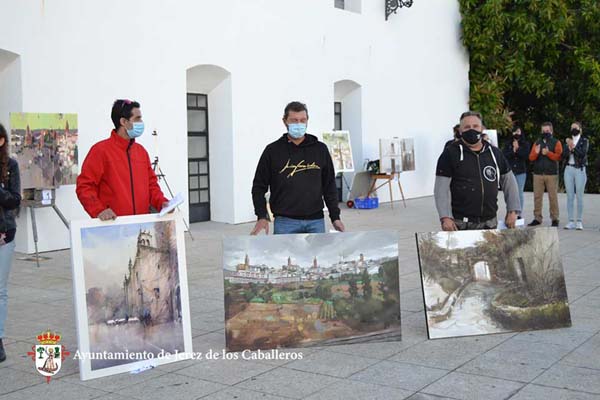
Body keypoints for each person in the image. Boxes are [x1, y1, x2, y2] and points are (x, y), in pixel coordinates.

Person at [251, 101, 344, 235]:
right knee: (285, 257)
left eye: (302, 120)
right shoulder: (272, 151)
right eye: (294, 120)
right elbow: (259, 187)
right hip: (285, 222)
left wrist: (335, 217)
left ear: (307, 121)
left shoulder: (320, 149)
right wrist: (261, 216)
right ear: (285, 121)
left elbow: (329, 185)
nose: (299, 124)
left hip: (316, 221)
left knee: (316, 256)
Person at [76, 100, 169, 220]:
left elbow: (152, 186)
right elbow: (84, 186)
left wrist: (162, 203)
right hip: (113, 228)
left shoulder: (141, 152)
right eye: (137, 119)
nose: (141, 123)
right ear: (124, 122)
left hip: (141, 227)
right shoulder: (100, 151)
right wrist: (99, 210)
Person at [434, 111, 520, 231]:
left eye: (475, 126)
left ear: (482, 128)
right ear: (460, 131)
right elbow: (440, 189)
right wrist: (445, 217)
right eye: (467, 127)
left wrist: (513, 210)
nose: (471, 130)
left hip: (490, 223)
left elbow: (509, 183)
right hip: (461, 224)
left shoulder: (495, 153)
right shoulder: (450, 153)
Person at [0, 123, 21, 363]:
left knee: (0, 290)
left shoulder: (11, 166)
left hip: (4, 234)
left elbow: (14, 200)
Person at [528, 122, 563, 227]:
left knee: (553, 197)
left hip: (551, 174)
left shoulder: (556, 142)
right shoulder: (537, 143)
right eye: (543, 131)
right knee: (537, 197)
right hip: (538, 174)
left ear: (551, 131)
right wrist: (536, 152)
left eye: (547, 131)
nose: (545, 133)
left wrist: (548, 153)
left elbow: (559, 157)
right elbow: (531, 158)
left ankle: (555, 218)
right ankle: (537, 218)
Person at [562, 122, 589, 230]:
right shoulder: (568, 141)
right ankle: (570, 221)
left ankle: (579, 221)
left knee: (579, 196)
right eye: (572, 127)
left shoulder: (584, 141)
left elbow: (582, 154)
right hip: (569, 168)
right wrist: (568, 148)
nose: (573, 129)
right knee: (569, 196)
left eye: (575, 127)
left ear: (580, 129)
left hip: (580, 169)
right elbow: (563, 155)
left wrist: (572, 147)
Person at [502, 127, 530, 217]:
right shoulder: (507, 144)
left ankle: (518, 213)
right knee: (510, 193)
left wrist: (517, 149)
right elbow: (504, 156)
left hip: (521, 171)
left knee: (519, 193)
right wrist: (513, 151)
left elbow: (525, 156)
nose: (516, 133)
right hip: (510, 171)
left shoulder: (525, 144)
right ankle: (510, 212)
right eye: (514, 131)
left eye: (518, 131)